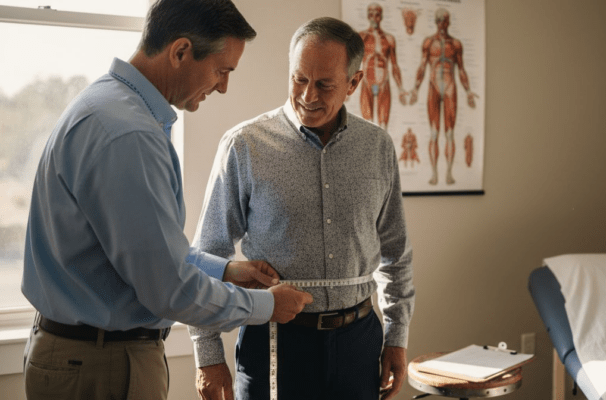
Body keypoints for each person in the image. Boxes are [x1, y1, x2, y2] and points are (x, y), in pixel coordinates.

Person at [21, 1, 312, 399]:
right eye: (221, 70)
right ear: (180, 52)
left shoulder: (106, 106)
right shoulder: (129, 136)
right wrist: (264, 306)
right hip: (102, 367)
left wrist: (225, 270)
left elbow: (141, 254)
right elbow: (168, 288)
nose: (223, 86)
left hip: (84, 357)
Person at [189, 17, 415, 400]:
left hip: (359, 343)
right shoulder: (244, 146)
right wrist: (207, 355)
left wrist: (397, 335)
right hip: (274, 341)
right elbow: (207, 255)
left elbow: (396, 253)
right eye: (299, 79)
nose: (308, 95)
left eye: (325, 84)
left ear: (354, 83)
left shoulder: (377, 148)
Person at [409, 8, 478, 185]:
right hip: (433, 88)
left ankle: (448, 173)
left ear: (448, 22)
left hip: (450, 88)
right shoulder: (429, 42)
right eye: (439, 20)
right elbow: (422, 66)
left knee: (449, 134)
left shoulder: (455, 44)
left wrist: (468, 91)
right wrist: (416, 88)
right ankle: (434, 174)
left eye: (444, 20)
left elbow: (461, 69)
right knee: (433, 133)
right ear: (435, 21)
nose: (442, 23)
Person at [358, 3, 408, 131]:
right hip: (366, 82)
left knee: (383, 129)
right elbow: (353, 63)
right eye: (371, 15)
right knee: (367, 127)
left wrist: (401, 89)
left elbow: (395, 65)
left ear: (381, 17)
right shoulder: (362, 37)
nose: (374, 18)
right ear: (368, 16)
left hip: (384, 84)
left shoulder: (389, 39)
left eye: (377, 15)